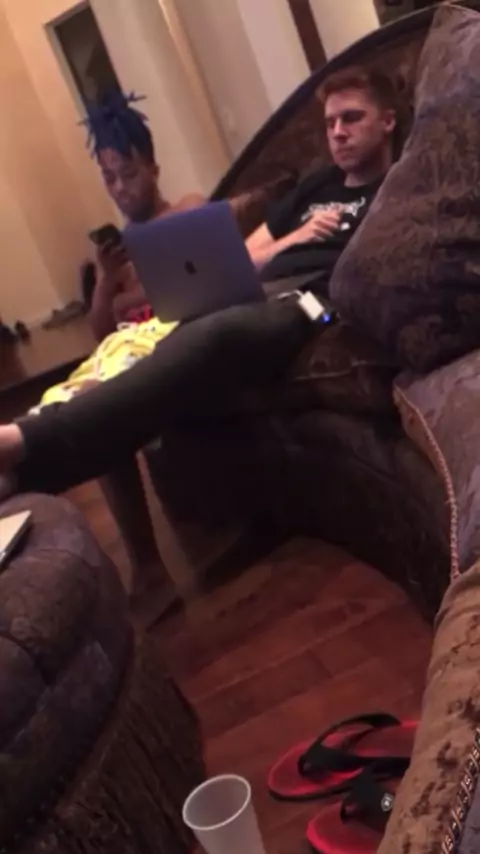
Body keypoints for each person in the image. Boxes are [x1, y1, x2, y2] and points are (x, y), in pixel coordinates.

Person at [0, 67, 398, 522]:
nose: (338, 133)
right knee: (141, 357)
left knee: (213, 334)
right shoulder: (317, 185)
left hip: (306, 299)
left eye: (352, 118)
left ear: (387, 121)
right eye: (330, 123)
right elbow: (242, 257)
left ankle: (21, 444)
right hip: (254, 289)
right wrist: (297, 236)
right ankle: (22, 471)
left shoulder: (394, 188)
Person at [36, 91, 203, 622]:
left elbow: (201, 286)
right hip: (124, 362)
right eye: (108, 178)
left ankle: (149, 571)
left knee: (101, 409)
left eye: (128, 173)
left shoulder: (187, 212)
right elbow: (100, 333)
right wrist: (108, 282)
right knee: (80, 407)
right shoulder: (117, 254)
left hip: (177, 351)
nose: (119, 188)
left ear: (153, 168)